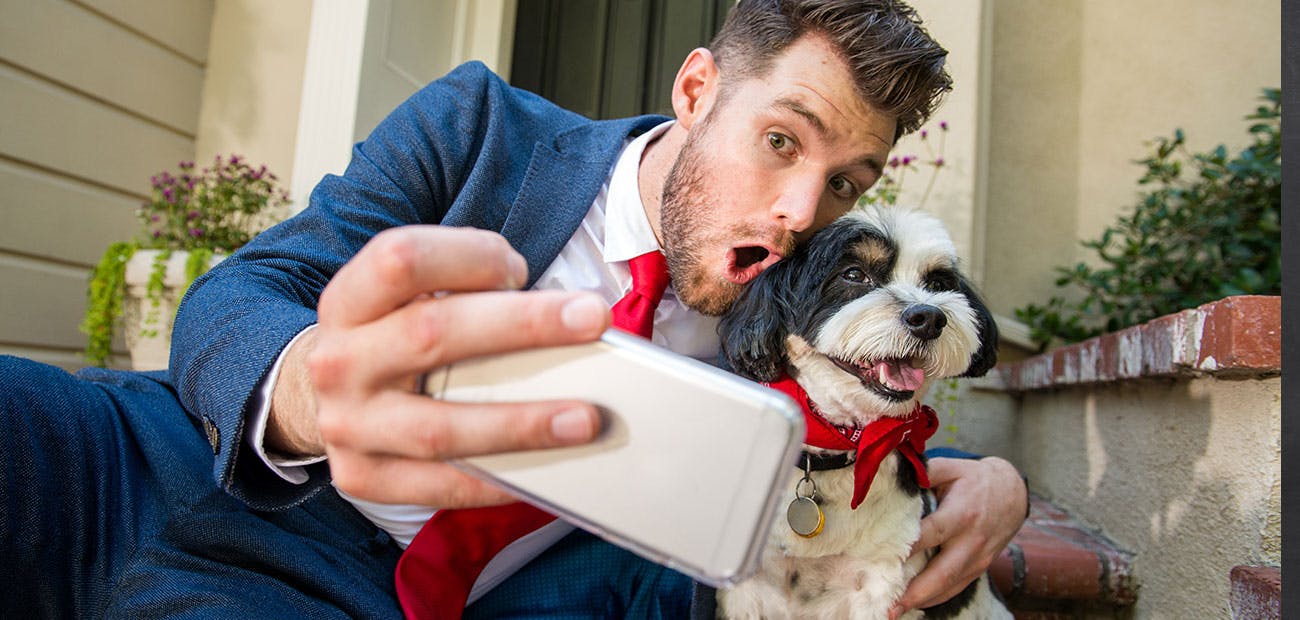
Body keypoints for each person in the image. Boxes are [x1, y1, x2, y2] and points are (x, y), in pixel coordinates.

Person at [1, 0, 1027, 617]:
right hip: (138, 458)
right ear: (697, 88)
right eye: (781, 140)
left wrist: (998, 480)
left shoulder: (786, 325)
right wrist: (308, 385)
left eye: (845, 182)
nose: (803, 209)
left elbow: (842, 450)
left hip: (352, 592)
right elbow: (243, 289)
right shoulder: (480, 127)